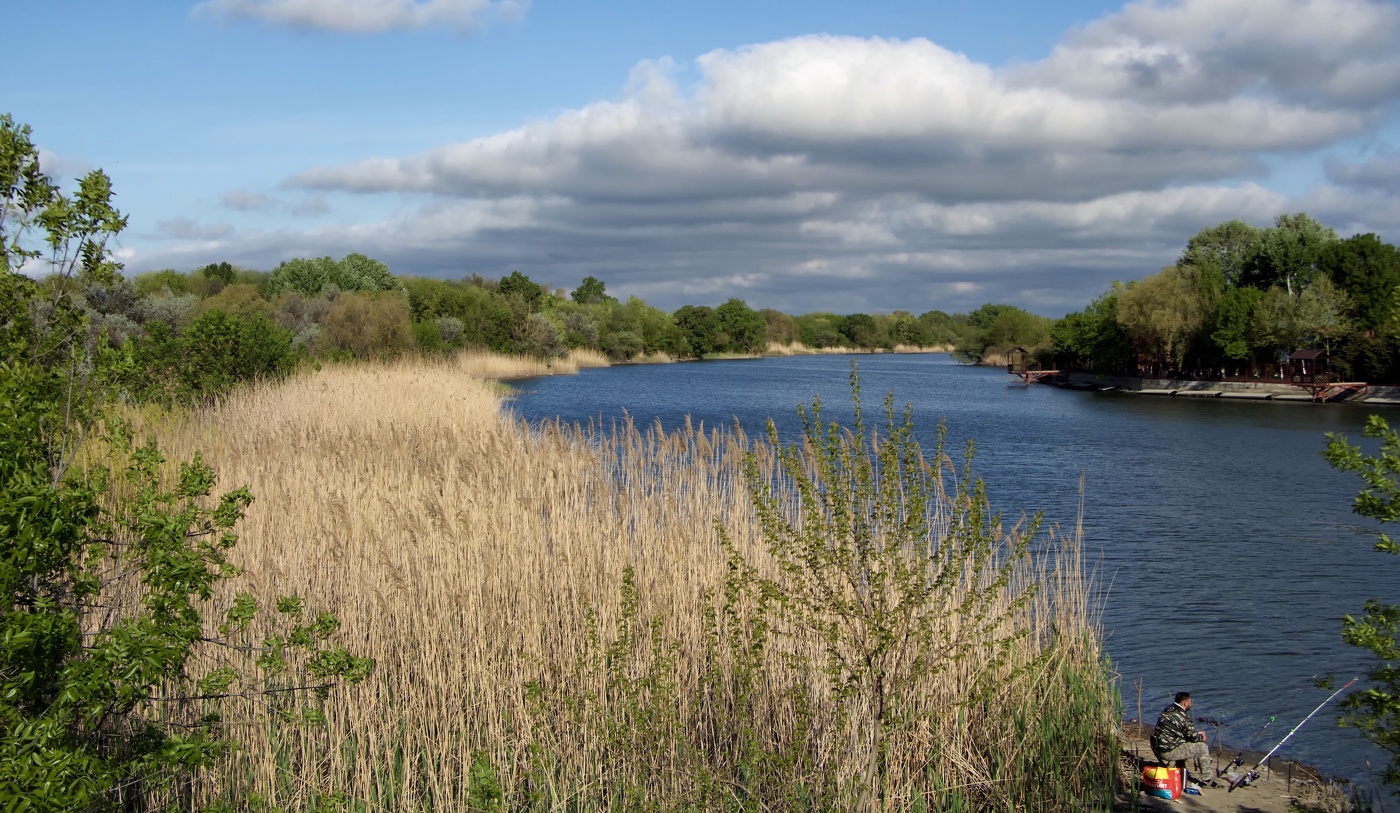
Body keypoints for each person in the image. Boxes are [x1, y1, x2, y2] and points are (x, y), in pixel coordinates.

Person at [1151, 691, 1213, 790]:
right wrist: (1202, 737)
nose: (1191, 704)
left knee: (1183, 743)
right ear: (1186, 703)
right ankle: (1207, 780)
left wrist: (1195, 735)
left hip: (1159, 747)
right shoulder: (1182, 716)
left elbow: (1181, 732)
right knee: (1202, 747)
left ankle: (1181, 771)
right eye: (1190, 701)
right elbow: (1193, 737)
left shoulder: (1168, 709)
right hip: (1168, 751)